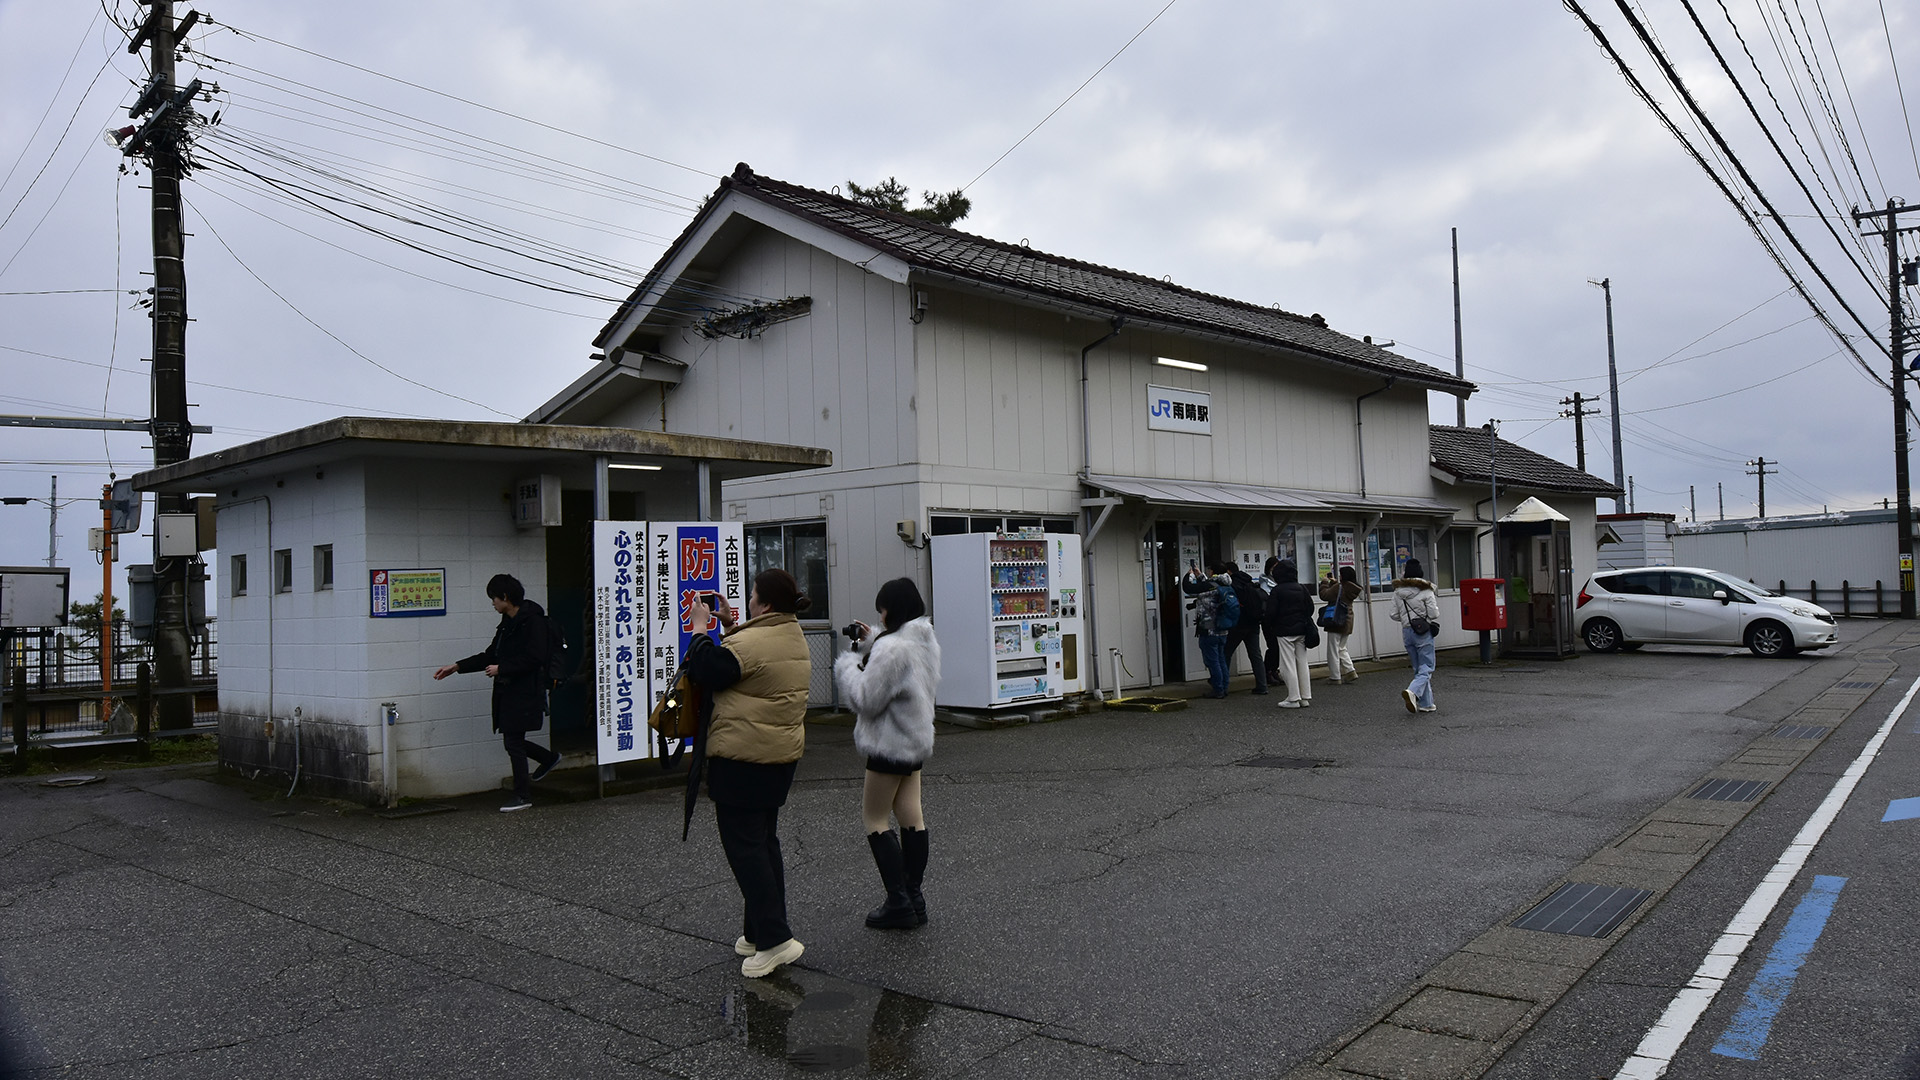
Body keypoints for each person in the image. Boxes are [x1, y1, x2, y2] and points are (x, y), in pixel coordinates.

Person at [684, 568, 813, 978]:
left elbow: (707, 668)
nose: (749, 600)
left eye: (753, 595)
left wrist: (701, 628)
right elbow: (751, 662)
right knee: (762, 843)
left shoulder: (756, 642)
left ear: (766, 604)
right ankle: (759, 932)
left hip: (744, 759)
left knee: (745, 848)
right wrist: (729, 625)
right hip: (775, 760)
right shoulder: (788, 633)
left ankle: (776, 940)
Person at [835, 577, 942, 930]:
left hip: (888, 745)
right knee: (913, 818)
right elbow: (899, 678)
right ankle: (915, 898)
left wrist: (849, 664)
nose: (880, 616)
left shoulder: (892, 649)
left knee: (875, 820)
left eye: (882, 609)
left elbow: (866, 699)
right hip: (914, 742)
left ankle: (898, 901)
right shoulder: (923, 640)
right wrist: (873, 644)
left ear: (892, 608)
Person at [432, 573, 559, 813]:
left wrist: (503, 668)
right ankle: (548, 759)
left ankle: (523, 795)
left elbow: (535, 658)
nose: (492, 603)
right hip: (507, 690)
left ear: (505, 597)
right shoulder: (507, 624)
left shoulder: (534, 622)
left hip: (525, 690)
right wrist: (457, 666)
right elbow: (490, 655)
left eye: (494, 598)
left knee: (513, 742)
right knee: (514, 741)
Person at [1390, 559, 1441, 714]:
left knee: (1418, 668)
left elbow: (1393, 614)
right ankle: (1412, 691)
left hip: (1407, 632)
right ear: (1420, 573)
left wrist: (1406, 620)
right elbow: (1434, 614)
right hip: (1423, 632)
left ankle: (1426, 703)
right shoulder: (1426, 590)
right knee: (1427, 667)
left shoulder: (1398, 592)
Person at [1264, 558, 1315, 709]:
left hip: (1284, 632)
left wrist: (1271, 625)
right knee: (1302, 663)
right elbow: (1310, 608)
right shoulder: (1301, 588)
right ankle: (1305, 697)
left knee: (1287, 665)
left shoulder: (1277, 590)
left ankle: (1293, 698)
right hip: (1302, 630)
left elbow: (1270, 613)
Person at [1182, 562, 1232, 698]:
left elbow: (1188, 588)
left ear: (1212, 572)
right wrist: (1200, 575)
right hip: (1222, 629)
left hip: (1209, 629)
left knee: (1212, 661)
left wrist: (1188, 575)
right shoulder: (1224, 584)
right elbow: (1208, 585)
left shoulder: (1209, 586)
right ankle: (1224, 687)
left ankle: (1218, 689)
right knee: (1221, 659)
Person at [1225, 563, 1269, 695]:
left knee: (1225, 653)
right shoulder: (1250, 583)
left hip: (1239, 625)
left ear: (1229, 572)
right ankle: (1262, 686)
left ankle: (1222, 685)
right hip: (1254, 623)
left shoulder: (1233, 585)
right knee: (1256, 655)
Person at [1318, 565, 1363, 684]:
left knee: (1333, 649)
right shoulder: (1353, 588)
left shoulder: (1340, 587)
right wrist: (1334, 583)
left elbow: (1325, 595)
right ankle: (1350, 671)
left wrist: (1324, 583)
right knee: (1341, 647)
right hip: (1347, 619)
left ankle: (1335, 676)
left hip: (1336, 619)